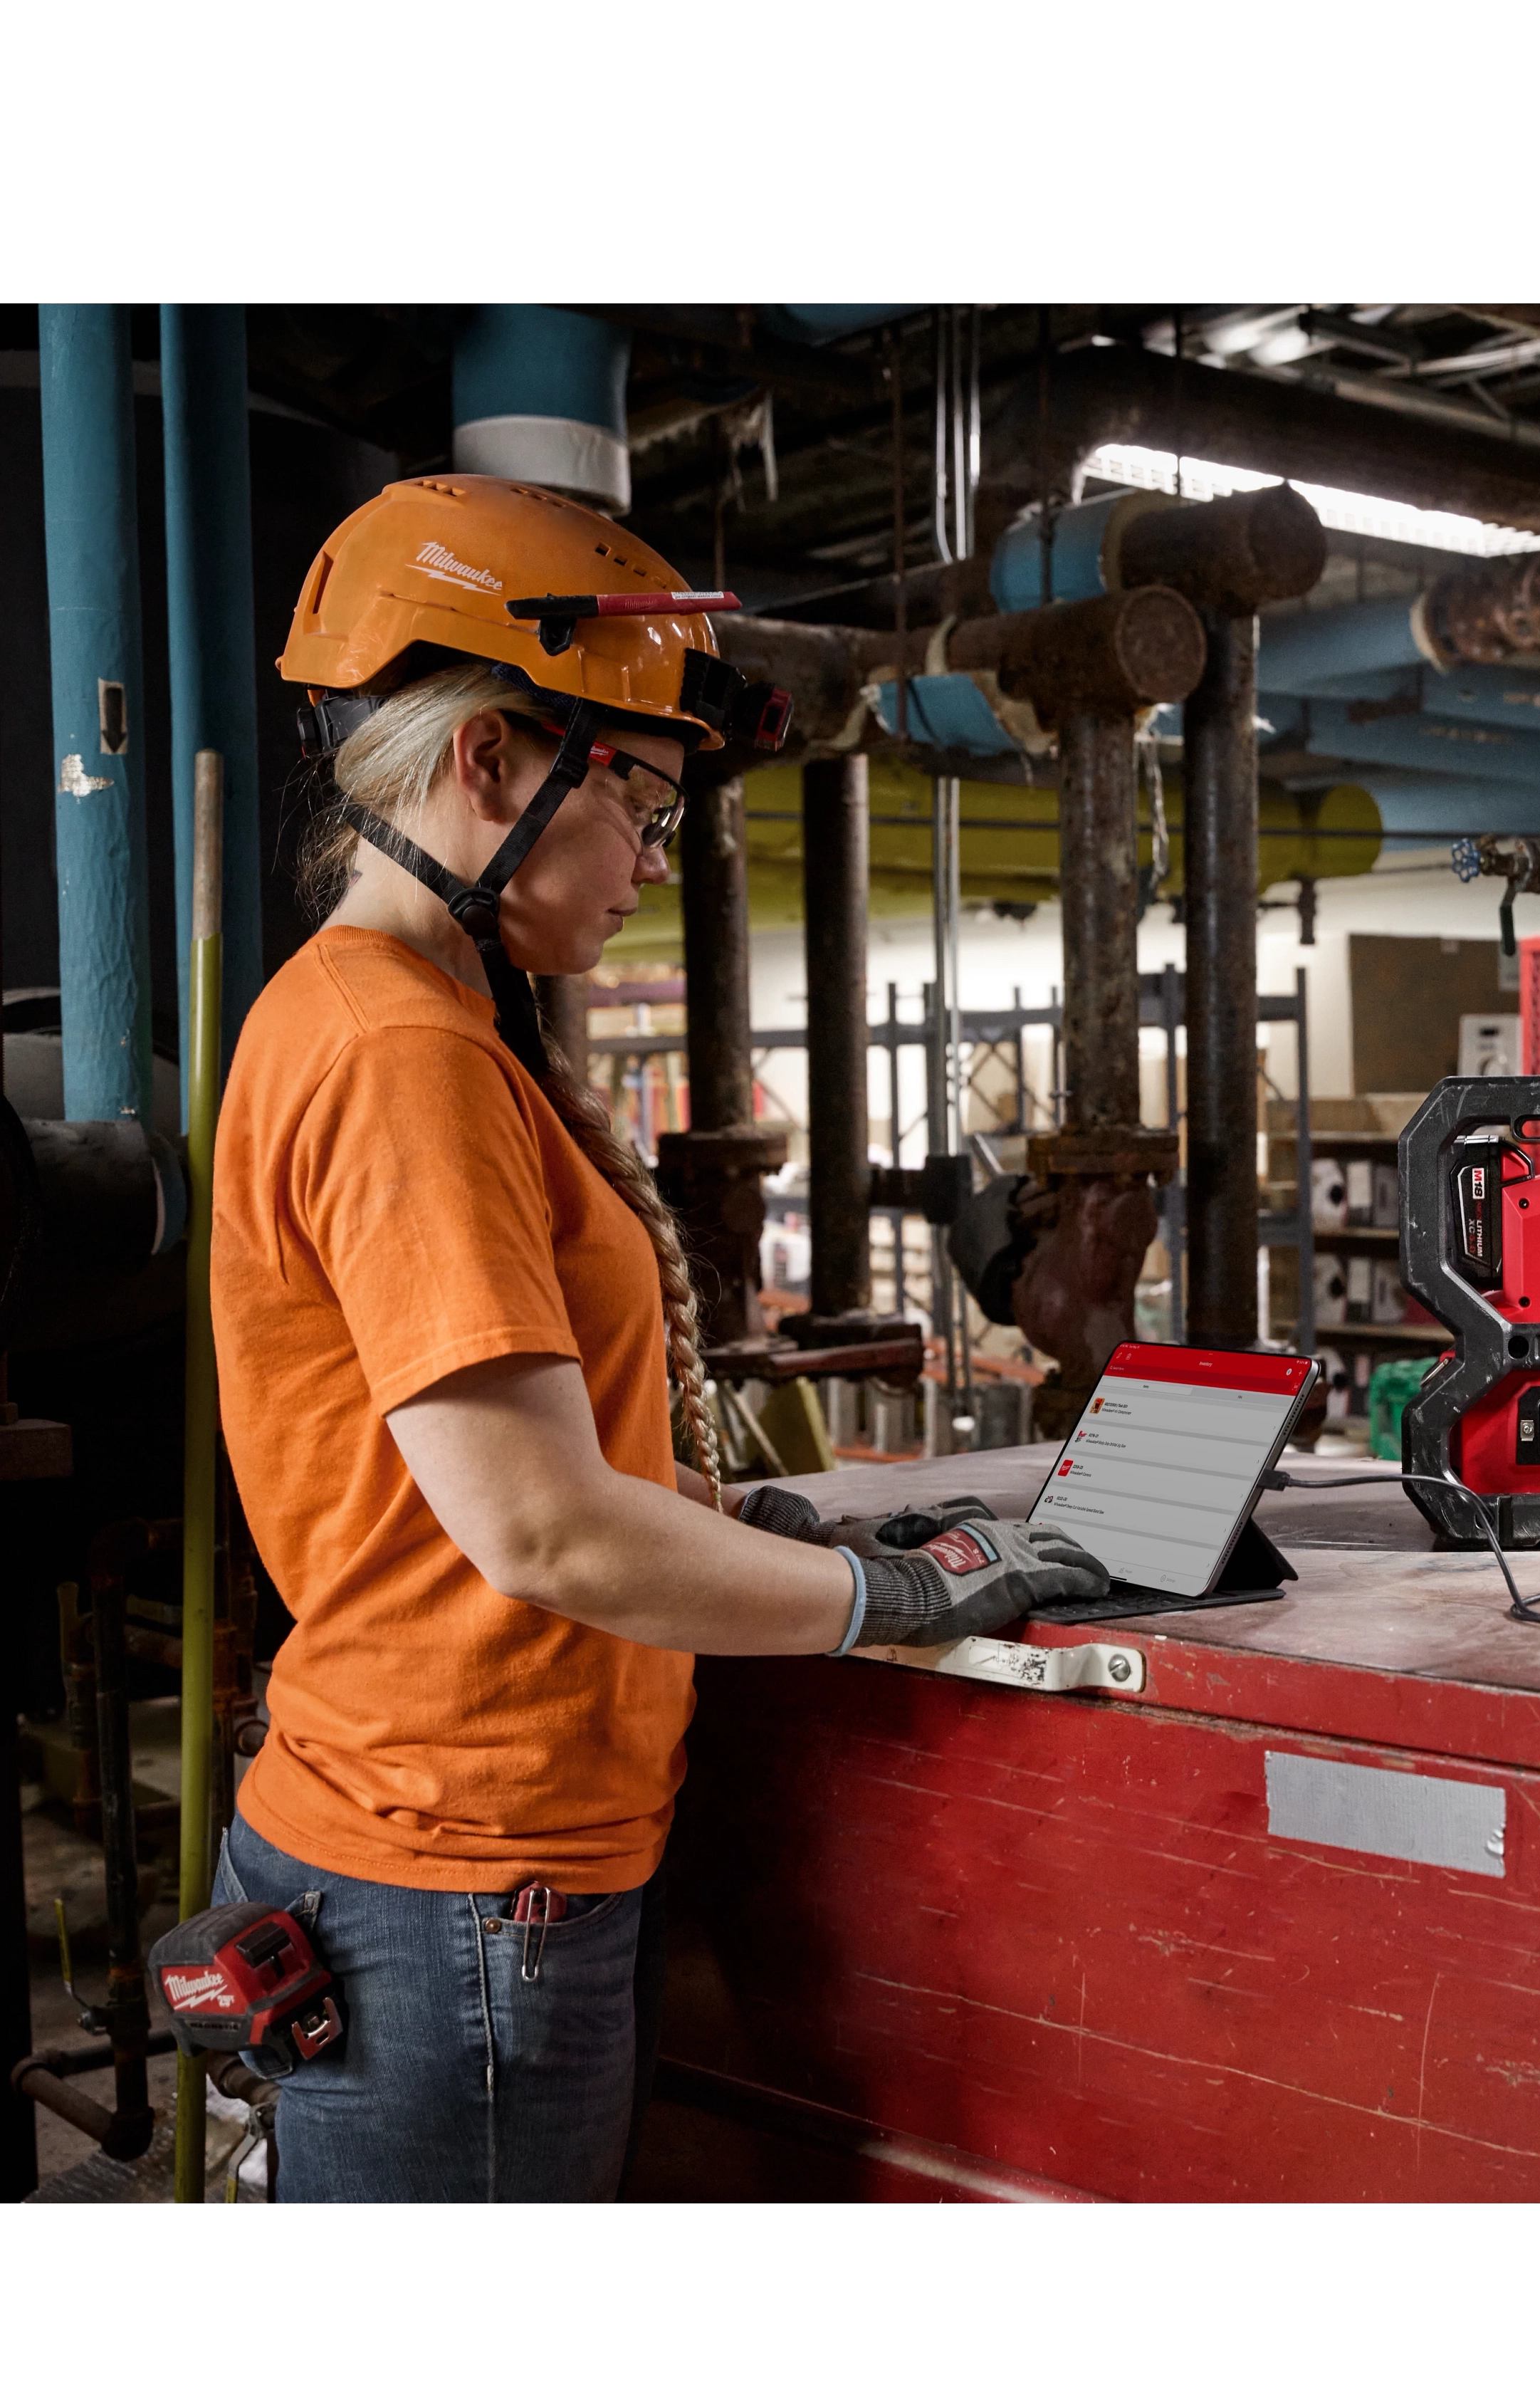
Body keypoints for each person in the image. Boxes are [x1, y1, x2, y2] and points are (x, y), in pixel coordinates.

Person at [209, 474, 1106, 2204]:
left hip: (471, 1852)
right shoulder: (399, 1051)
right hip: (461, 1874)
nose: (648, 862)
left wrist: (758, 1528)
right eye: (638, 803)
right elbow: (535, 1527)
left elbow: (518, 1469)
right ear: (486, 764)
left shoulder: (404, 1018)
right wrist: (889, 1597)